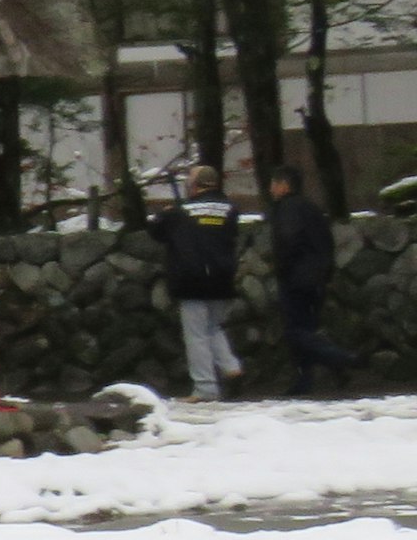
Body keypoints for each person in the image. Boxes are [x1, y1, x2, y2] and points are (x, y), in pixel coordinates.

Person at [149, 163, 246, 399]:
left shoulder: (181, 212)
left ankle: (204, 387)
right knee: (214, 327)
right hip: (222, 277)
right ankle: (232, 368)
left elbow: (156, 230)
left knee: (196, 335)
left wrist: (166, 213)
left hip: (192, 278)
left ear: (194, 185)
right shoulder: (230, 210)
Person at [266, 163, 364, 390]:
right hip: (317, 277)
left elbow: (290, 241)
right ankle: (308, 379)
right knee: (307, 330)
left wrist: (281, 267)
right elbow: (328, 243)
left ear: (283, 185)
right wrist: (326, 273)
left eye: (273, 183)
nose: (271, 189)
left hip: (297, 278)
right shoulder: (312, 209)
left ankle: (340, 358)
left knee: (295, 332)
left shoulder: (287, 209)